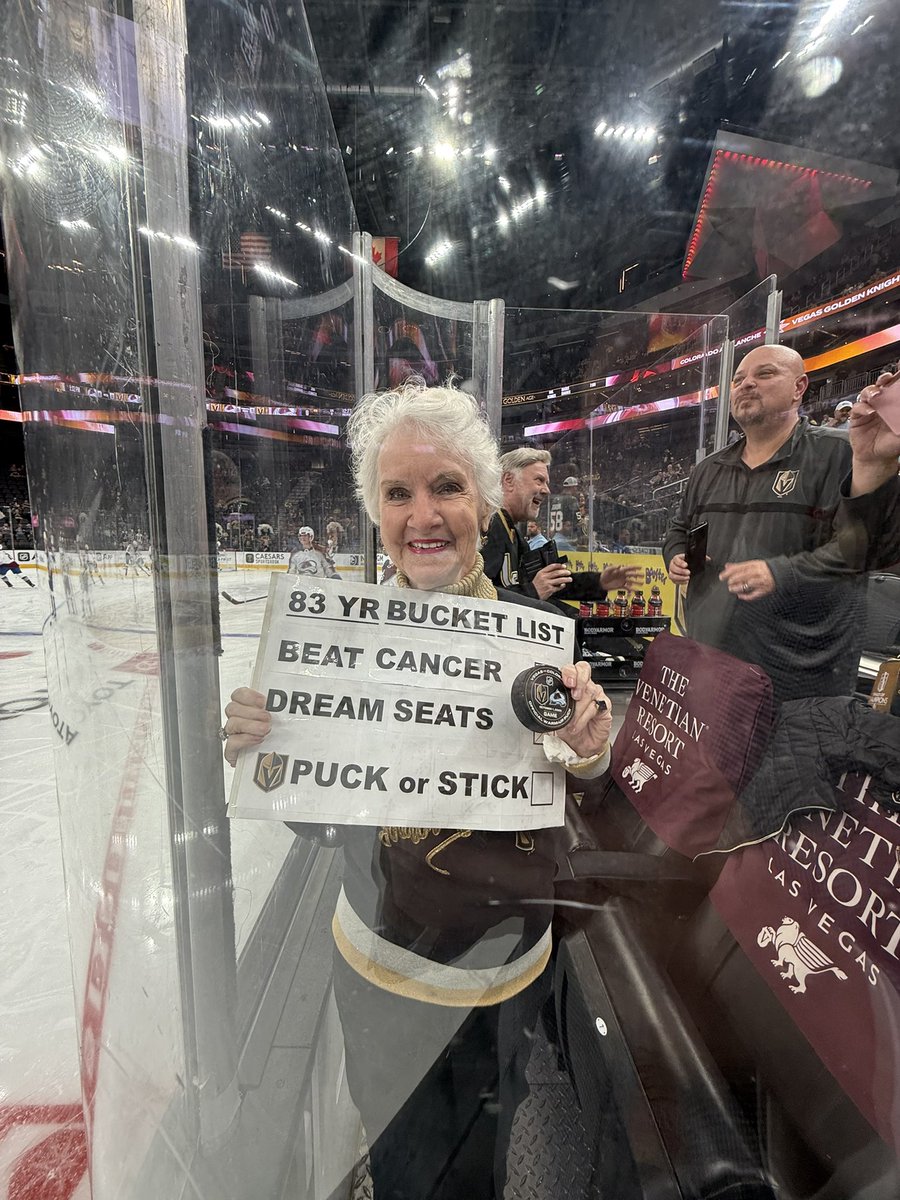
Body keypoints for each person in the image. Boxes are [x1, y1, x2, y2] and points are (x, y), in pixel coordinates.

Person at [222, 382, 613, 1200]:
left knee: (481, 1168)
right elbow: (321, 828)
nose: (423, 515)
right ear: (376, 511)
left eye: (446, 487)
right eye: (397, 492)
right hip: (380, 972)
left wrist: (586, 749)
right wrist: (275, 754)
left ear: (482, 498)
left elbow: (583, 779)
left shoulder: (532, 639)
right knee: (402, 1161)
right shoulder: (338, 645)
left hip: (502, 975)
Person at [663, 347, 900, 702]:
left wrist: (781, 573)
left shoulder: (843, 453)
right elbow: (679, 528)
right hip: (711, 666)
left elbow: (863, 550)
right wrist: (676, 554)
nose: (747, 385)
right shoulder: (708, 469)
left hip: (802, 682)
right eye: (738, 379)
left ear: (799, 387)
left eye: (765, 374)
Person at [481, 447, 642, 609]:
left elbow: (553, 583)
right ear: (508, 480)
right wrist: (532, 591)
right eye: (539, 480)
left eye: (547, 483)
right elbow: (474, 598)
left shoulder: (512, 531)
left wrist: (599, 582)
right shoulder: (489, 525)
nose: (546, 490)